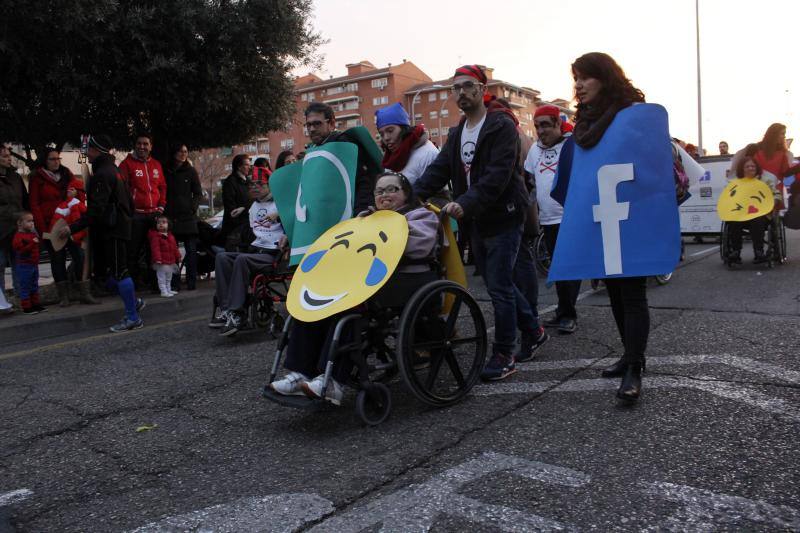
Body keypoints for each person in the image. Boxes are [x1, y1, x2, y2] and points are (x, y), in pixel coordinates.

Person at [414, 64, 547, 382]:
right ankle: (534, 330)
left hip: (504, 215)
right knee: (497, 283)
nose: (461, 93)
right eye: (455, 88)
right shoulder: (458, 132)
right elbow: (440, 168)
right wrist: (409, 197)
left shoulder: (500, 125)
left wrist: (465, 203)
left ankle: (504, 353)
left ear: (481, 89)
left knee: (499, 286)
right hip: (476, 219)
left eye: (467, 86)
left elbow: (499, 174)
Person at [270, 171, 439, 405]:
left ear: (406, 193)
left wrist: (389, 230)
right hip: (361, 280)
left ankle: (333, 383)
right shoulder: (363, 219)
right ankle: (300, 372)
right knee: (311, 303)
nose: (385, 195)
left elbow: (419, 247)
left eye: (392, 190)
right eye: (380, 191)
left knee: (349, 306)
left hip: (405, 280)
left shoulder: (421, 216)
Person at [570, 52, 649, 401]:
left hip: (634, 209)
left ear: (604, 77)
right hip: (603, 210)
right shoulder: (585, 119)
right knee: (616, 290)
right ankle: (629, 356)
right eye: (575, 78)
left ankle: (634, 368)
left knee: (632, 291)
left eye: (585, 77)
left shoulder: (632, 112)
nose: (578, 84)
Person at [60, 134, 145, 332]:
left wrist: (71, 228)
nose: (85, 153)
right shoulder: (114, 170)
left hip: (113, 230)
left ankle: (133, 317)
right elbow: (129, 204)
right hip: (119, 227)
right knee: (108, 275)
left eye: (88, 149)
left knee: (120, 272)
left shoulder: (102, 174)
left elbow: (96, 210)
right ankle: (134, 301)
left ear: (96, 150)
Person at [525, 105, 580, 334]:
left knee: (568, 268)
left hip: (569, 218)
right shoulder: (534, 151)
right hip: (547, 219)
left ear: (558, 124)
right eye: (537, 126)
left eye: (546, 125)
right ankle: (562, 311)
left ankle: (569, 315)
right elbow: (529, 181)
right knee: (556, 268)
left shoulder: (571, 146)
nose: (541, 131)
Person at [210, 178, 287, 336]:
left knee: (242, 259)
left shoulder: (283, 203)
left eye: (260, 184)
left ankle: (237, 313)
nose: (255, 187)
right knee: (222, 257)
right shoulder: (253, 206)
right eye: (252, 185)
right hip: (256, 250)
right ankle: (227, 310)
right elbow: (255, 218)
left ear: (270, 187)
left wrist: (285, 228)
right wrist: (243, 210)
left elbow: (296, 217)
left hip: (274, 255)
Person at [29, 148, 93, 306]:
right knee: (57, 260)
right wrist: (43, 229)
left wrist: (75, 198)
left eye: (58, 158)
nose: (56, 161)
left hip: (71, 223)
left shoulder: (67, 173)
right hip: (51, 226)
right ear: (45, 160)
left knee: (79, 256)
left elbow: (79, 193)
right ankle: (63, 297)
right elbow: (34, 204)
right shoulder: (37, 178)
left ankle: (84, 293)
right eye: (52, 159)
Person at [303, 102, 377, 213]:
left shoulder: (344, 144)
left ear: (332, 123)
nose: (312, 129)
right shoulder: (312, 151)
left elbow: (362, 180)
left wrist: (362, 210)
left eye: (317, 123)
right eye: (308, 125)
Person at [118, 133, 167, 288]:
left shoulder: (157, 165)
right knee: (133, 251)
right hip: (136, 215)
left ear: (150, 146)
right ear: (135, 145)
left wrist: (161, 206)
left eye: (146, 144)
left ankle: (155, 283)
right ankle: (133, 285)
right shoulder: (126, 164)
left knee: (154, 251)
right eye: (139, 143)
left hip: (154, 215)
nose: (142, 146)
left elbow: (162, 187)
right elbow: (121, 189)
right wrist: (129, 209)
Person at [49, 178, 99, 305]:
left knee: (80, 260)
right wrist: (77, 235)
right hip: (69, 234)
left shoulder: (70, 204)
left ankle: (79, 295)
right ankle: (73, 295)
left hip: (65, 233)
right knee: (62, 261)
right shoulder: (76, 204)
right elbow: (79, 220)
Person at [725, 156, 780, 265]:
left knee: (757, 219)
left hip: (760, 214)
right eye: (747, 166)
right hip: (741, 215)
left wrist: (773, 202)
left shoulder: (765, 181)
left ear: (756, 168)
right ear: (742, 169)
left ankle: (758, 251)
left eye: (753, 166)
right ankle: (736, 251)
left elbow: (776, 194)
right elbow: (728, 198)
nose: (751, 168)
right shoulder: (735, 183)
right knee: (734, 220)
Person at [164, 144, 202, 291]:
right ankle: (174, 283)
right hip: (170, 217)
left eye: (185, 151)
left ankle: (192, 282)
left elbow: (198, 193)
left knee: (191, 251)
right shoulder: (166, 170)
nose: (183, 154)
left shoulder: (191, 171)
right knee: (171, 252)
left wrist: (192, 207)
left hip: (188, 217)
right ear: (174, 152)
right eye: (180, 151)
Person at [375, 102, 439, 184]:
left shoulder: (428, 153)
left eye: (390, 131)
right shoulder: (390, 160)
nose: (386, 138)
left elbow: (439, 194)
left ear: (404, 129)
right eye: (382, 134)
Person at [0, 142, 27, 311]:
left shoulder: (15, 178)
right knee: (0, 266)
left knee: (20, 265)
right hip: (1, 231)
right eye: (4, 156)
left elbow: (24, 200)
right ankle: (2, 303)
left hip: (17, 230)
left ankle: (23, 299)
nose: (8, 158)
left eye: (9, 155)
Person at [13, 212, 45, 314]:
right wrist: (32, 243)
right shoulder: (18, 236)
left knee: (34, 285)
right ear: (20, 223)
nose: (32, 224)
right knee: (25, 286)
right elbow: (20, 250)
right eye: (29, 221)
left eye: (33, 221)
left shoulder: (32, 234)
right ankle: (26, 307)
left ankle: (36, 304)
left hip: (33, 264)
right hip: (24, 265)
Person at [220, 153, 252, 251]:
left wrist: (244, 208)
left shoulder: (248, 181)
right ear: (239, 166)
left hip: (248, 225)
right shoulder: (230, 182)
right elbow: (231, 208)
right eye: (246, 165)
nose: (249, 167)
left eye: (249, 164)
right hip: (235, 229)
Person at [148, 215, 181, 297]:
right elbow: (155, 249)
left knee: (169, 277)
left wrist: (178, 256)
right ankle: (163, 291)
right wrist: (158, 259)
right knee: (161, 278)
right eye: (158, 222)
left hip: (170, 262)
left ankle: (168, 289)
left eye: (164, 222)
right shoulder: (156, 237)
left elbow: (175, 248)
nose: (161, 224)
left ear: (168, 225)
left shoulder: (171, 236)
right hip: (161, 262)